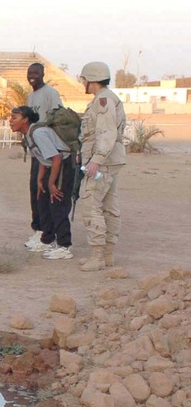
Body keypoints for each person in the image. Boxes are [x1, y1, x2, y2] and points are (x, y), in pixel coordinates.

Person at [77, 61, 126, 271]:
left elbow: (106, 132)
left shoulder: (104, 100)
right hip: (110, 160)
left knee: (90, 202)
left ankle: (98, 256)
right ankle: (107, 255)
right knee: (108, 204)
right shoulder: (104, 99)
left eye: (84, 79)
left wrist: (96, 160)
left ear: (92, 79)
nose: (83, 83)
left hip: (103, 162)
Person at [10, 106, 75, 259]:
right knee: (43, 200)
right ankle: (47, 240)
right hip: (51, 167)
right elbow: (41, 159)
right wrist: (40, 180)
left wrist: (51, 183)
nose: (10, 121)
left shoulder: (38, 133)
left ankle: (64, 246)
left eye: (14, 118)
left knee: (57, 202)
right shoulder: (28, 135)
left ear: (25, 120)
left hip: (64, 165)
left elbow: (57, 158)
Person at [24, 63, 64, 249]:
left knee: (44, 191)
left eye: (36, 73)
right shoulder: (31, 96)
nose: (32, 76)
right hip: (37, 151)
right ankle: (38, 230)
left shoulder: (50, 94)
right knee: (35, 189)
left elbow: (58, 119)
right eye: (30, 73)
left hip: (49, 151)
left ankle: (49, 234)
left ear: (43, 74)